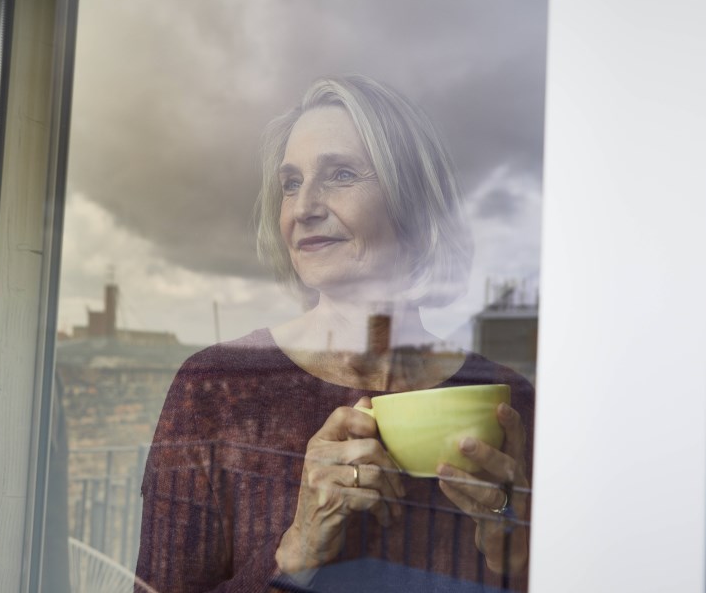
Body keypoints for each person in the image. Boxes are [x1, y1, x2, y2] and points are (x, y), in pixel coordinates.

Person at [135, 75, 534, 592]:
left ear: (413, 204)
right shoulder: (215, 387)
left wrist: (519, 554)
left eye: (341, 174)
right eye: (292, 183)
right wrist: (297, 549)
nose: (304, 208)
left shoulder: (508, 399)